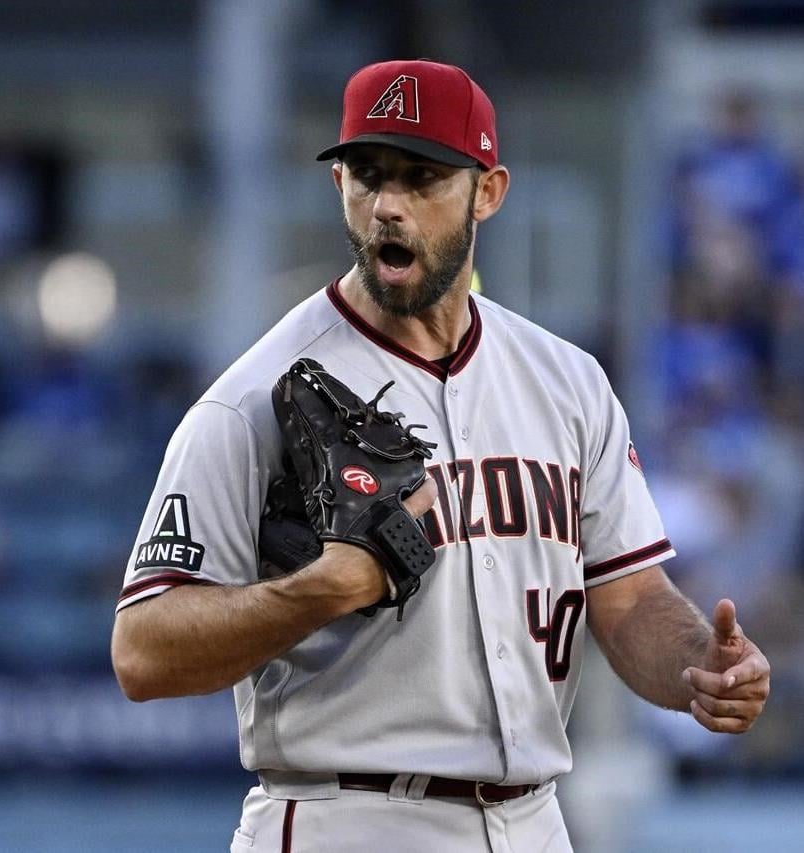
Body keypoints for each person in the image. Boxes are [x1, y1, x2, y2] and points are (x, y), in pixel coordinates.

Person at [111, 60, 770, 852]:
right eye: (366, 174)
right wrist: (311, 595)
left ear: (486, 192)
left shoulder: (566, 382)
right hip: (346, 816)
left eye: (421, 178)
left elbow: (628, 599)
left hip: (534, 821)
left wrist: (700, 664)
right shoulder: (252, 399)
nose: (387, 205)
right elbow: (142, 651)